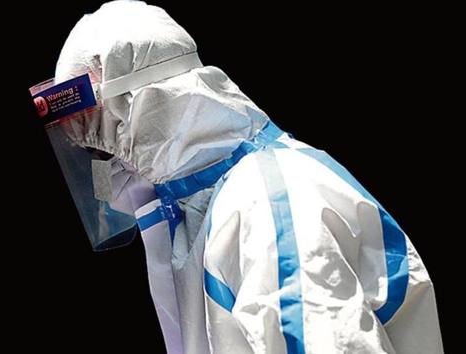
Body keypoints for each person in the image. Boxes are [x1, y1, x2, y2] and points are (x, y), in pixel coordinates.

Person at [33, 1, 443, 353]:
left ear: (140, 109)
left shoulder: (269, 203)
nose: (105, 166)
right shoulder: (218, 205)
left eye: (98, 142)